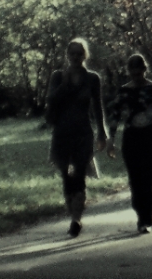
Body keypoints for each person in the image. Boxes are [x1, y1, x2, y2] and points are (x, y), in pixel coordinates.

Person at [46, 38, 108, 237]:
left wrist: (102, 132)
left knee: (79, 174)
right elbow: (50, 100)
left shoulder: (92, 78)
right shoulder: (57, 76)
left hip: (83, 133)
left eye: (79, 53)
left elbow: (97, 107)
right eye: (72, 53)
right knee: (66, 176)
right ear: (67, 55)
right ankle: (72, 211)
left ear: (85, 55)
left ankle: (76, 219)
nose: (75, 57)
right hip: (62, 133)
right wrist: (64, 84)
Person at [106, 54, 152, 234]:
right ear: (129, 72)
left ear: (144, 70)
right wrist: (111, 139)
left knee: (147, 179)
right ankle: (139, 211)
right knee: (135, 181)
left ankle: (146, 220)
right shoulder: (124, 91)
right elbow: (115, 116)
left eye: (139, 72)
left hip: (150, 136)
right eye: (133, 73)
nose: (136, 76)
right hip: (131, 137)